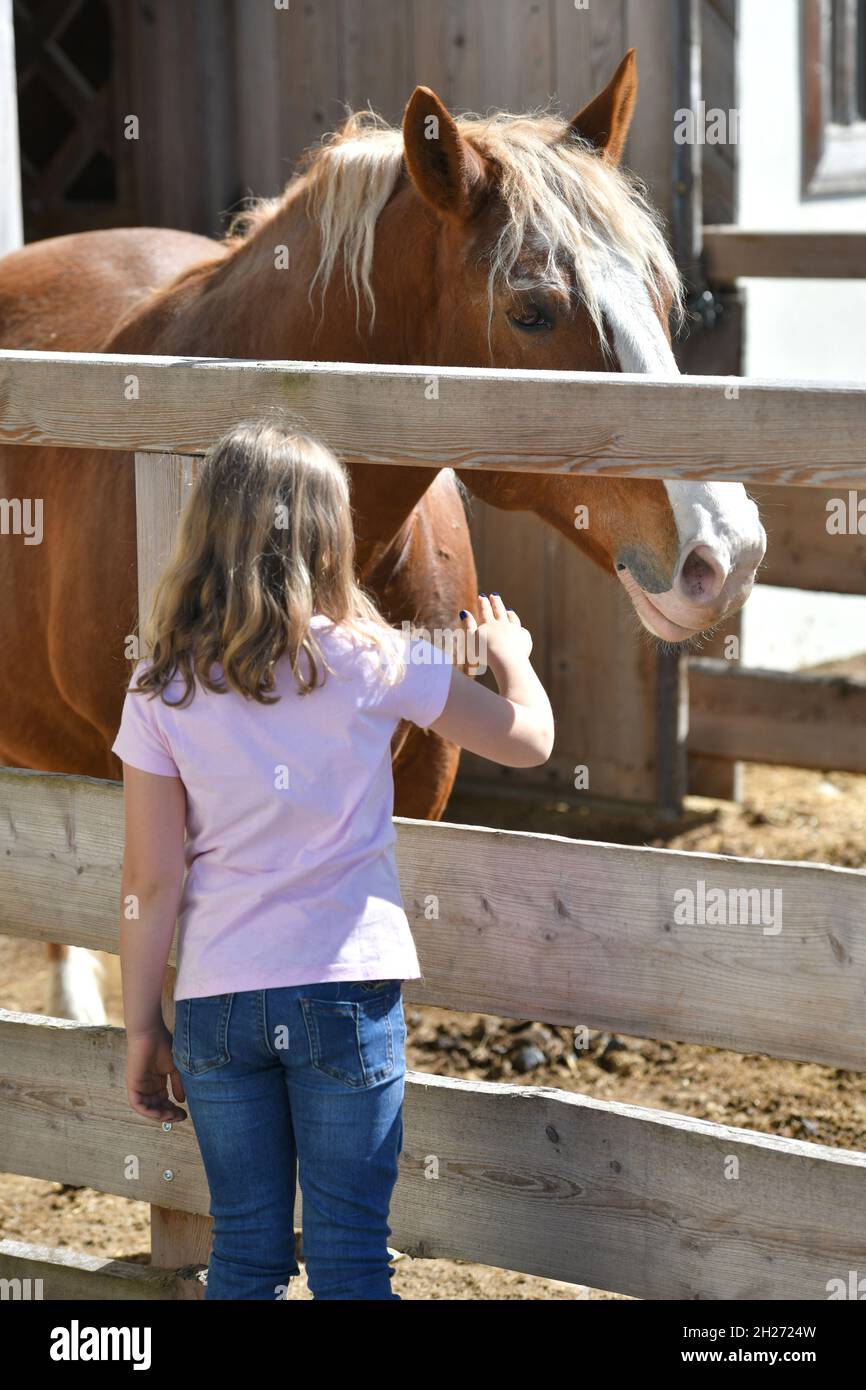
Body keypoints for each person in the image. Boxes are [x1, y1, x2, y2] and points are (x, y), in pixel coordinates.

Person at [113, 414, 554, 1300]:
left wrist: (140, 1027)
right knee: (352, 1258)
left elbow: (151, 881)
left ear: (207, 533)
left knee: (244, 1256)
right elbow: (531, 741)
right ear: (329, 535)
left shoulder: (162, 685)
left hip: (218, 1001)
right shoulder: (374, 660)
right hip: (344, 994)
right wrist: (513, 658)